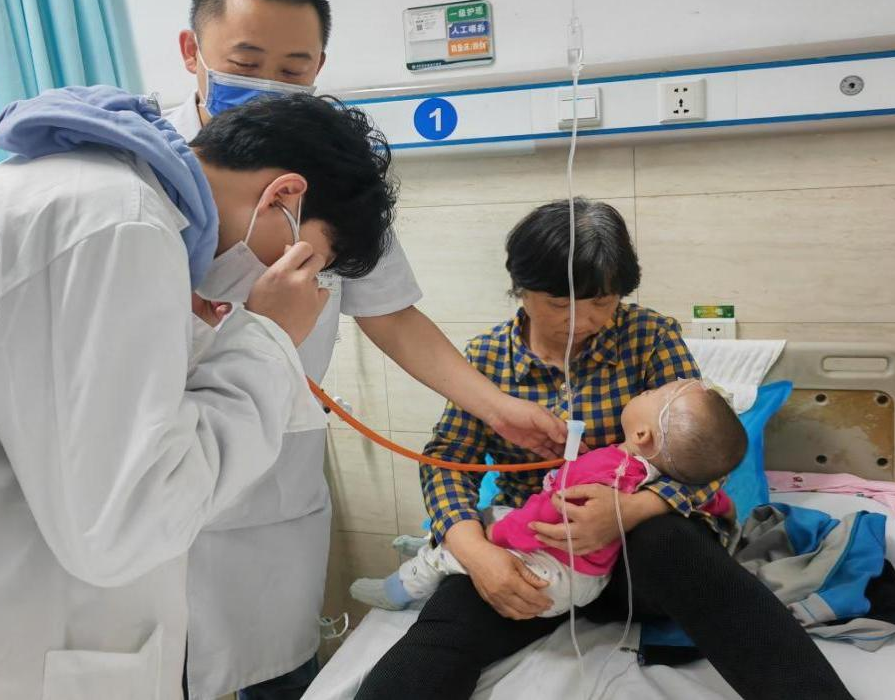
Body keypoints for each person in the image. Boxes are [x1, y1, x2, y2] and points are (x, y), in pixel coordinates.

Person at [0, 85, 397, 700]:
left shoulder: (82, 196)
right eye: (304, 262)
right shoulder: (120, 224)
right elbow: (125, 521)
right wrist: (268, 341)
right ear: (283, 196)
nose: (286, 281)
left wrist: (199, 339)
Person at [168, 0, 568, 700]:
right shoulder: (149, 179)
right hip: (161, 460)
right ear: (192, 52)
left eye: (293, 70)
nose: (269, 87)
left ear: (319, 67)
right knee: (161, 663)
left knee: (276, 665)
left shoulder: (334, 175)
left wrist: (495, 407)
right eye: (245, 65)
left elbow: (388, 311)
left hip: (271, 465)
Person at [355, 199, 854, 700]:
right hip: (536, 558)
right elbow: (447, 461)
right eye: (560, 304)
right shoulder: (486, 359)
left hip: (641, 562)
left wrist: (627, 511)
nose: (584, 321)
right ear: (521, 288)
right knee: (447, 628)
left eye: (603, 301)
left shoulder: (648, 337)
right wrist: (476, 552)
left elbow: (705, 455)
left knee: (671, 542)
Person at [351, 379, 746, 616]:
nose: (647, 389)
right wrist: (726, 510)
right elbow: (707, 499)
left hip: (552, 576)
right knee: (485, 512)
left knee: (462, 547)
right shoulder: (652, 474)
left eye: (652, 392)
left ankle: (403, 587)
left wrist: (497, 538)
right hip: (587, 578)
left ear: (642, 435)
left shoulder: (603, 468)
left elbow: (540, 518)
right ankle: (430, 540)